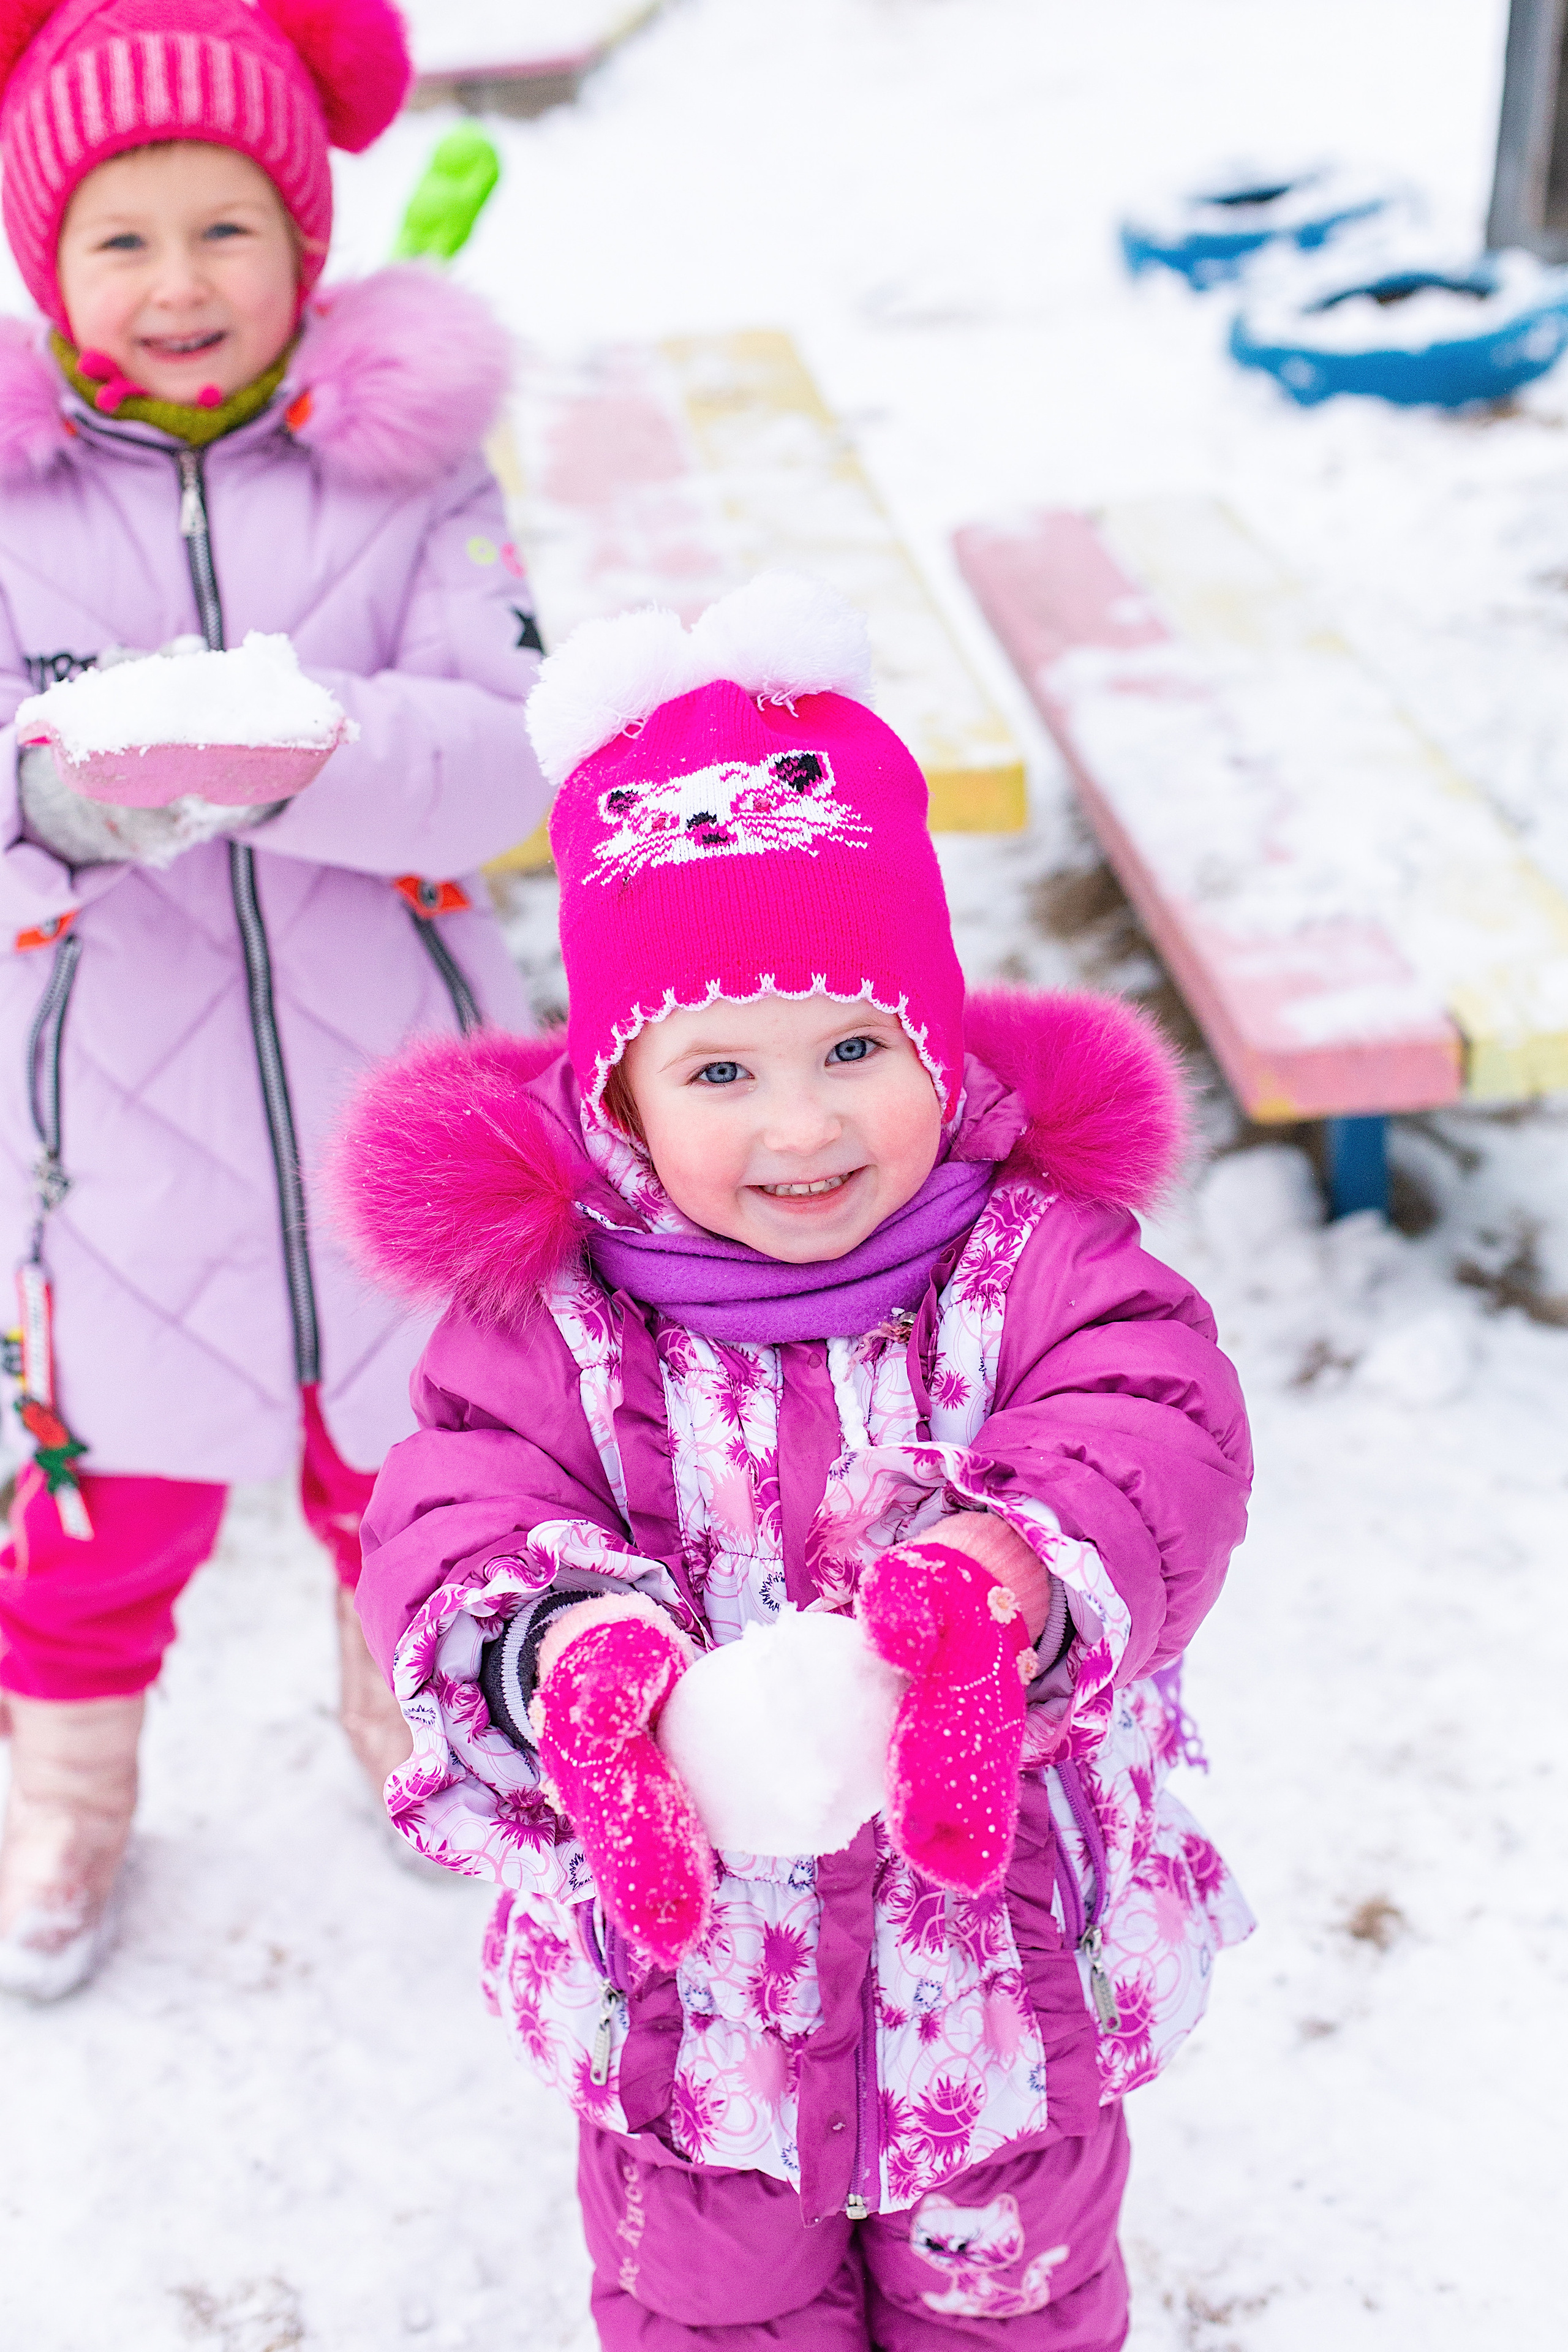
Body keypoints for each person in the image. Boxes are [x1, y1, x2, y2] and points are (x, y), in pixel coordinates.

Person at [337, 574, 1254, 2350]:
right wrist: (573, 1651)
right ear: (618, 1096)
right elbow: (456, 1515)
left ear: (938, 1039)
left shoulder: (1039, 1256)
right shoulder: (557, 1324)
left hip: (1003, 1983)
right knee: (711, 2322)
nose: (805, 1122)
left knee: (1017, 2308)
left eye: (856, 1046)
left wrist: (1001, 1579)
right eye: (722, 1070)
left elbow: (1157, 1423)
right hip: (697, 2016)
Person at [0, 0, 549, 1999]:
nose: (176, 282)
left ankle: (411, 1705)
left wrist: (303, 744)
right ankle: (65, 1788)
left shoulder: (410, 474)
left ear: (307, 244)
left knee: (418, 1470)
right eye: (119, 236)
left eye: (224, 226)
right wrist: (57, 795)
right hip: (108, 1128)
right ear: (47, 266)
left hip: (399, 1100)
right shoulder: (10, 498)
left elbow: (515, 754)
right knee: (91, 1521)